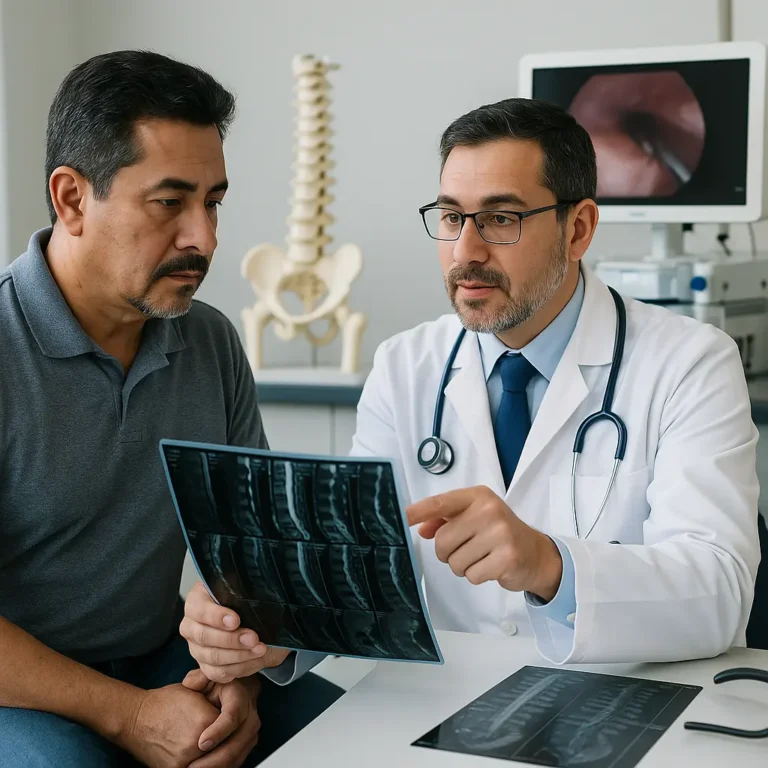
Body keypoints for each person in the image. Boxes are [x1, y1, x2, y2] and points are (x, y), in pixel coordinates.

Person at [184, 97, 760, 680]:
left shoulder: (689, 363)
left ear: (578, 229)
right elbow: (363, 572)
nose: (465, 251)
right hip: (443, 698)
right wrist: (269, 626)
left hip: (621, 695)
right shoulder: (406, 365)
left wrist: (550, 565)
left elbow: (721, 590)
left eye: (500, 219)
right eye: (451, 217)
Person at [0, 50, 342, 768]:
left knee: (352, 739)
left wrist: (237, 673)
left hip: (160, 659)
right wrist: (128, 717)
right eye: (169, 203)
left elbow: (254, 548)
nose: (204, 239)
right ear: (71, 199)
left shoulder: (209, 340)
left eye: (212, 202)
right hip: (20, 689)